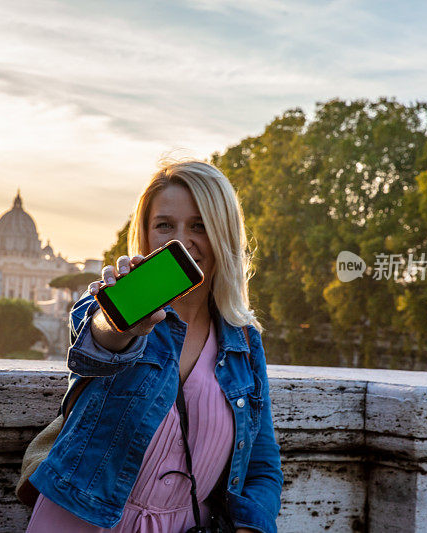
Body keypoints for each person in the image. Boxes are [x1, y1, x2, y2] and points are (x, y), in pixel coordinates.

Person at [26, 160, 283, 533]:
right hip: (83, 520)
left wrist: (247, 529)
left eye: (199, 225)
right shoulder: (108, 304)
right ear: (144, 235)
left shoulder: (244, 341)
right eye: (165, 225)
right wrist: (121, 321)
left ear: (224, 235)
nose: (181, 240)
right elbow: (95, 344)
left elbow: (261, 464)